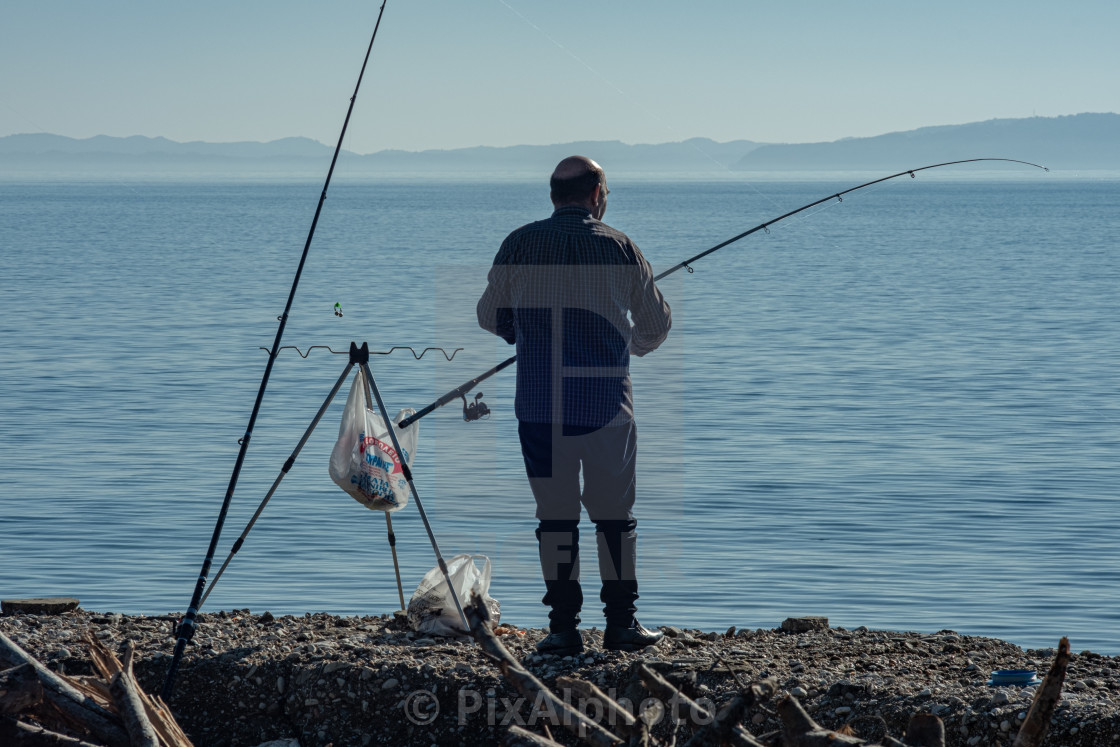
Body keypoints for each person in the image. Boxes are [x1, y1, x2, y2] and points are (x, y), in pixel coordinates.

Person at [476, 156, 672, 655]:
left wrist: (519, 334)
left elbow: (488, 314)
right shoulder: (620, 247)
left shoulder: (520, 243)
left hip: (540, 407)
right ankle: (621, 625)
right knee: (614, 518)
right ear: (598, 193)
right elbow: (655, 326)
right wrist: (623, 345)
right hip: (606, 406)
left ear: (552, 196)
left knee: (555, 518)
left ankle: (563, 629)